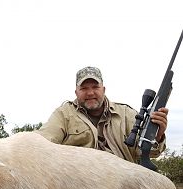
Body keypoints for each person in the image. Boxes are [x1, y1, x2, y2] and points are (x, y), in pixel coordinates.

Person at [36, 66, 168, 163]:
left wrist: (158, 135)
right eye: (84, 88)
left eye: (95, 87)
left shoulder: (126, 114)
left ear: (103, 89)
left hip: (124, 183)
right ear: (76, 92)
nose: (90, 93)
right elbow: (40, 143)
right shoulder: (63, 114)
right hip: (79, 186)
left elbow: (149, 153)